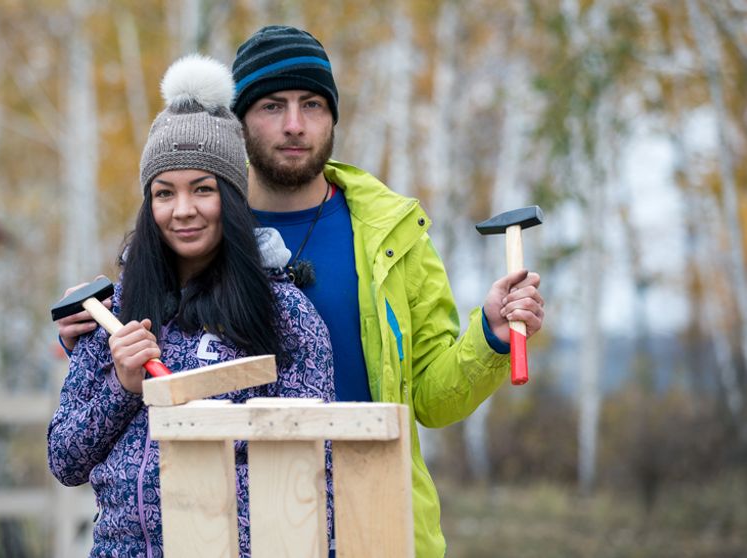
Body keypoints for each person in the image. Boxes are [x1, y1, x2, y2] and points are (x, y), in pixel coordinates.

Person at [58, 26, 546, 557]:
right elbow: (151, 334)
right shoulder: (195, 214)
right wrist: (88, 339)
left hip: (373, 525)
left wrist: (491, 337)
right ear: (238, 122)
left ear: (333, 116)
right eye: (272, 106)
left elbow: (430, 399)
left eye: (311, 104)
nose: (294, 125)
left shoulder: (393, 236)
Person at [47, 54, 335, 558]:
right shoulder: (114, 315)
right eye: (164, 193)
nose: (183, 210)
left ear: (232, 197)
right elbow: (65, 459)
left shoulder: (285, 315)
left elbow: (315, 471)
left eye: (203, 189)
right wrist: (123, 387)